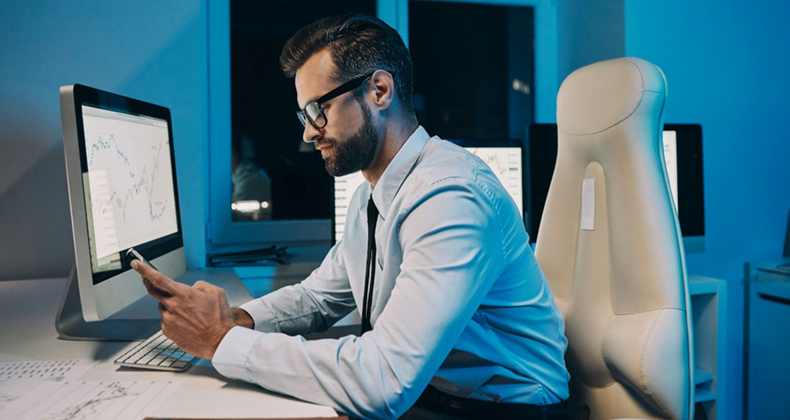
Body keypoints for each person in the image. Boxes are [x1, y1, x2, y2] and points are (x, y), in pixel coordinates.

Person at [132, 13, 570, 420]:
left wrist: (218, 340)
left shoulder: (450, 197)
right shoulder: (371, 197)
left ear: (379, 90)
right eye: (304, 114)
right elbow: (320, 297)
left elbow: (383, 380)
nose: (308, 131)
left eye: (318, 109)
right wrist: (235, 321)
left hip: (504, 411)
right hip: (437, 397)